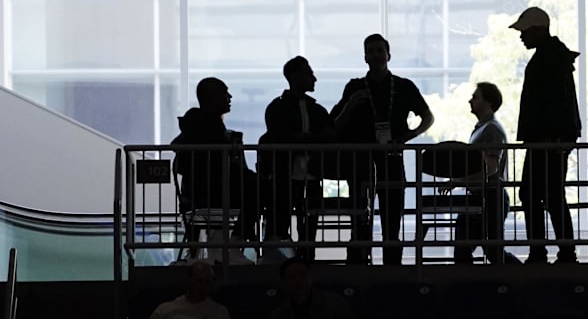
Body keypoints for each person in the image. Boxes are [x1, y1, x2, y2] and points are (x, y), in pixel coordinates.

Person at [331, 34, 435, 265]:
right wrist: (349, 106)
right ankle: (358, 263)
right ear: (365, 57)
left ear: (388, 55)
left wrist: (409, 136)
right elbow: (334, 125)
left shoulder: (403, 86)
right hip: (360, 160)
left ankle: (391, 265)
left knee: (392, 216)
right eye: (371, 51)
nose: (376, 55)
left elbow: (428, 117)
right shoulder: (355, 87)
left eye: (380, 50)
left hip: (392, 157)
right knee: (359, 214)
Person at [509, 6, 582, 264]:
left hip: (547, 140)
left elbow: (552, 102)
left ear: (538, 30)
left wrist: (553, 138)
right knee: (548, 194)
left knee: (535, 194)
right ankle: (561, 250)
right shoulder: (555, 56)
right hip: (551, 140)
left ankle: (544, 251)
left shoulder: (547, 59)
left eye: (525, 31)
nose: (522, 37)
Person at [172, 77, 259, 264]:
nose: (230, 97)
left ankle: (224, 245)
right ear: (212, 97)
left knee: (252, 185)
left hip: (200, 191)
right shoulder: (206, 125)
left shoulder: (196, 124)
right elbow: (216, 163)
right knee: (257, 187)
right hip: (212, 190)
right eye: (224, 93)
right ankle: (233, 244)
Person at [260, 56, 335, 262]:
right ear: (294, 76)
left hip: (309, 175)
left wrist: (303, 139)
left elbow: (327, 135)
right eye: (308, 73)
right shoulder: (281, 108)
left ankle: (303, 261)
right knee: (280, 220)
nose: (314, 79)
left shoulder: (312, 109)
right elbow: (279, 135)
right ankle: (277, 260)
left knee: (308, 224)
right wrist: (312, 140)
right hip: (285, 175)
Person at [439, 82, 522, 265]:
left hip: (489, 196)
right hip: (483, 196)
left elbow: (489, 168)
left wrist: (456, 181)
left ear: (489, 102)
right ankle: (518, 277)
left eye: (475, 97)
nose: (470, 100)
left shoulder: (490, 129)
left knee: (489, 251)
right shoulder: (484, 128)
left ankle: (521, 277)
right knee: (485, 250)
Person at [267, 256, 359, 319]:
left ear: (310, 276)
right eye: (291, 277)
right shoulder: (279, 315)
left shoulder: (335, 305)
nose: (298, 281)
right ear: (284, 282)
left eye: (302, 275)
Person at [137, 261, 233, 319]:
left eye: (207, 282)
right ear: (188, 281)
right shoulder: (164, 310)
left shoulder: (219, 313)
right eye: (199, 281)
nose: (203, 287)